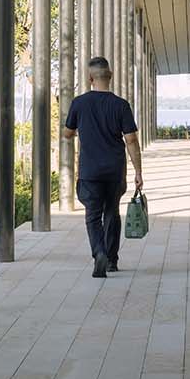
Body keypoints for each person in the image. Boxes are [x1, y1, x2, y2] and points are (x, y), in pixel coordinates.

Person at [63, 55, 143, 278]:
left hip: (90, 171)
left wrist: (79, 130)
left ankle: (99, 252)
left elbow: (67, 133)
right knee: (112, 212)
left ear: (90, 78)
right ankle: (111, 260)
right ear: (110, 76)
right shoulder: (121, 105)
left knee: (92, 215)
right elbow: (131, 140)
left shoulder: (79, 103)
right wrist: (138, 171)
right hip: (115, 170)